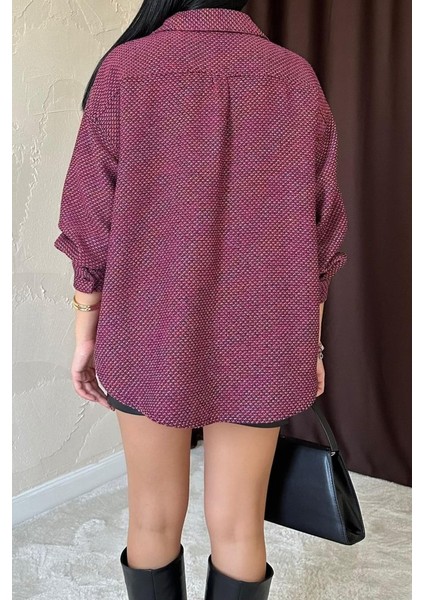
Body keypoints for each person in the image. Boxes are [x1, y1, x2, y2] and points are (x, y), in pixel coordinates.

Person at [53, 1, 348, 598]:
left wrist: (86, 334)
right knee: (240, 525)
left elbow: (89, 219)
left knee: (152, 518)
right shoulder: (294, 77)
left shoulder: (126, 70)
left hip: (146, 328)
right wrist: (310, 344)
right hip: (265, 333)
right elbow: (322, 234)